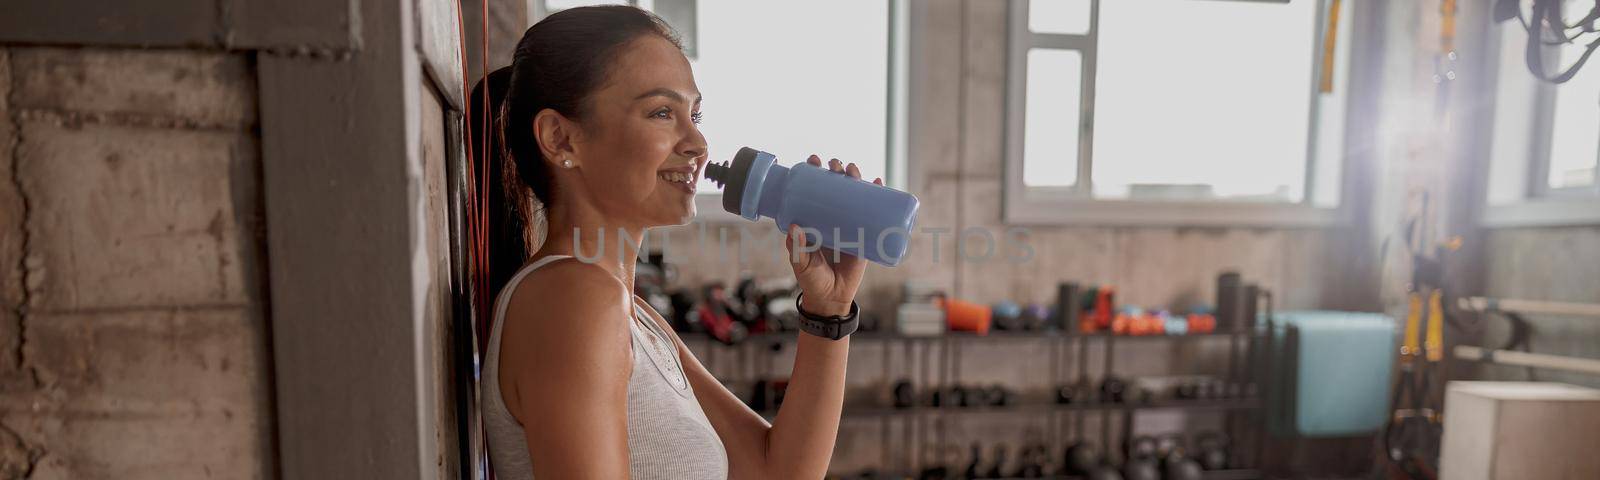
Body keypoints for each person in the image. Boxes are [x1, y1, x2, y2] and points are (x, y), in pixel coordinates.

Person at [471, 5, 876, 479]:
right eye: (662, 112)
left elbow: (778, 471)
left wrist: (828, 308)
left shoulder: (634, 316)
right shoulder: (574, 300)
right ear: (561, 139)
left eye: (695, 113)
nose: (698, 143)